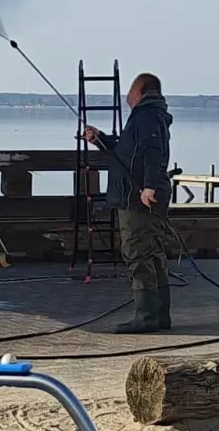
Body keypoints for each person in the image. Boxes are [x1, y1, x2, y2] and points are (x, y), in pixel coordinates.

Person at [83, 72, 173, 334]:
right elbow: (128, 151)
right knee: (153, 252)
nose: (127, 97)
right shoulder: (150, 114)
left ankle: (146, 316)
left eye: (130, 92)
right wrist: (101, 138)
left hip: (138, 198)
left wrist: (149, 187)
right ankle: (159, 315)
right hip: (141, 194)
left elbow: (153, 153)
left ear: (142, 91)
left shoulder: (145, 115)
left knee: (137, 252)